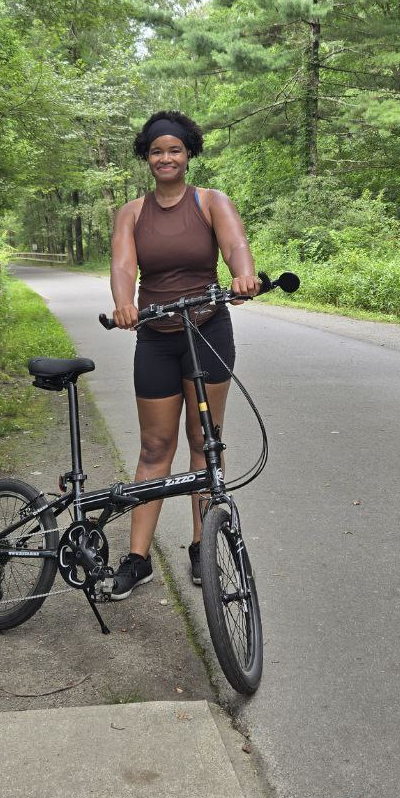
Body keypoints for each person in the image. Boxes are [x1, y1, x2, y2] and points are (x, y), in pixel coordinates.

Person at [109, 109, 259, 599]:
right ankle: (137, 558)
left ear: (188, 154)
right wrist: (125, 303)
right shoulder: (131, 213)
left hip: (208, 329)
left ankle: (202, 547)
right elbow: (123, 265)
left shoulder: (211, 202)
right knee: (155, 448)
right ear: (147, 158)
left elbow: (236, 246)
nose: (166, 157)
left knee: (204, 444)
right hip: (155, 335)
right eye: (157, 151)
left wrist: (242, 276)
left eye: (174, 149)